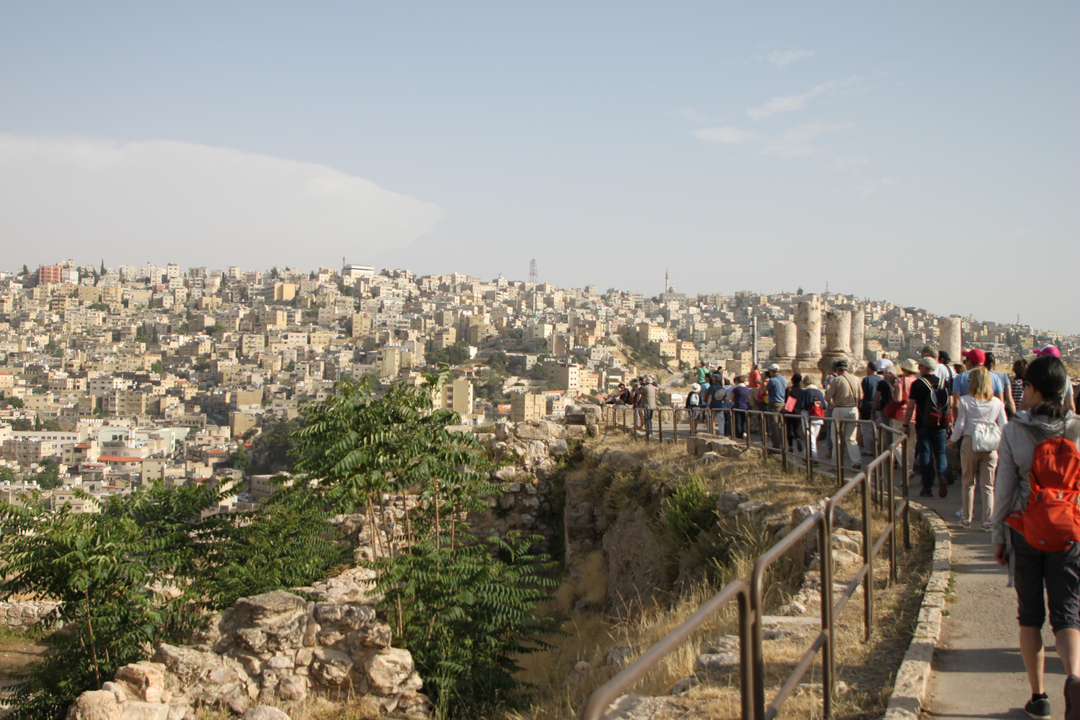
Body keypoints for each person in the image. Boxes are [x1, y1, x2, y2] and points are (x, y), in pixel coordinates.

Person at [991, 354, 1080, 720]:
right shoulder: (1077, 429)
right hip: (1070, 532)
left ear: (1033, 389)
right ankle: (1075, 677)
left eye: (1025, 385)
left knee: (1030, 616)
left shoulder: (1015, 430)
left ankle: (1039, 696)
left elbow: (1005, 488)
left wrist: (997, 533)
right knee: (1068, 615)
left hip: (1026, 530)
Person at [948, 367, 1007, 530]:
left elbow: (960, 424)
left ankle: (967, 518)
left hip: (970, 442)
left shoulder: (966, 401)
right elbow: (1004, 425)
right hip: (991, 445)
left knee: (968, 482)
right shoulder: (997, 402)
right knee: (988, 485)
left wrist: (952, 440)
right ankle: (987, 521)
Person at [904, 356, 948, 498]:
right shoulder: (943, 382)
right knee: (940, 453)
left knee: (925, 454)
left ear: (923, 368)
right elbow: (950, 404)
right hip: (940, 423)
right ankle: (942, 476)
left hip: (923, 423)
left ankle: (927, 487)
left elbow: (911, 405)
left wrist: (906, 424)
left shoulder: (918, 384)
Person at [825, 359, 862, 470]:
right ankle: (856, 461)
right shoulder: (857, 379)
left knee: (836, 437)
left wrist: (828, 393)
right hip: (854, 409)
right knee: (851, 438)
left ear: (837, 370)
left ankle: (836, 464)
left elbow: (828, 397)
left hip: (840, 409)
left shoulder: (837, 380)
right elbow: (861, 396)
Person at [890, 359, 920, 470]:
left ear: (904, 370)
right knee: (911, 447)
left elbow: (898, 399)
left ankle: (906, 468)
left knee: (897, 444)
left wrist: (893, 393)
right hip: (915, 415)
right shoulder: (917, 381)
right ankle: (910, 469)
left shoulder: (900, 381)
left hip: (901, 415)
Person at [796, 374, 826, 458]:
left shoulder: (805, 392)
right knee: (813, 437)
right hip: (819, 416)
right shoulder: (819, 392)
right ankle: (807, 454)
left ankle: (813, 456)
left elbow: (802, 406)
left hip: (808, 416)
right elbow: (824, 405)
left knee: (810, 436)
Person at [860, 363, 884, 456]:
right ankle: (877, 448)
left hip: (867, 406)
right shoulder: (881, 379)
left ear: (869, 369)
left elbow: (863, 393)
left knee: (866, 429)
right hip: (879, 407)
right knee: (877, 428)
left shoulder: (867, 379)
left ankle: (868, 450)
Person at [985, 352, 1016, 417]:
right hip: (1000, 411)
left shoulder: (980, 375)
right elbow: (1009, 399)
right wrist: (1015, 416)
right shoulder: (1003, 376)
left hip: (985, 412)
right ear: (994, 364)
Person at [764, 364, 787, 449]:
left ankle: (776, 446)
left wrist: (763, 382)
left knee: (773, 425)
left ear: (772, 371)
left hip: (774, 403)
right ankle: (783, 443)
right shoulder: (783, 379)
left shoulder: (772, 380)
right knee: (780, 425)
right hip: (782, 403)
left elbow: (763, 391)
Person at [786, 372, 805, 453]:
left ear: (792, 380)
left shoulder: (789, 390)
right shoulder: (802, 391)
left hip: (789, 411)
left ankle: (790, 447)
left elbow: (785, 400)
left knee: (789, 429)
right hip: (798, 412)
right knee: (796, 428)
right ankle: (798, 438)